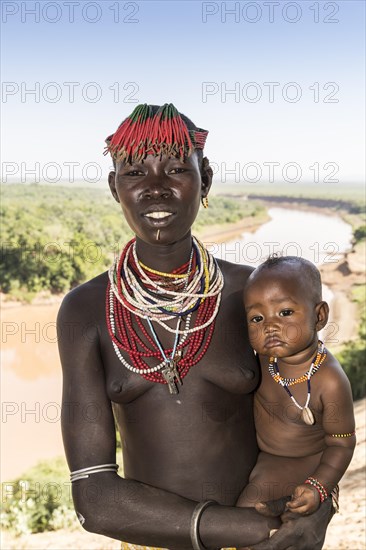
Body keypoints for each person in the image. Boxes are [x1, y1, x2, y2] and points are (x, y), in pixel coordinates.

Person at [58, 104, 335, 550]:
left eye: (174, 169)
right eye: (134, 173)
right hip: (187, 538)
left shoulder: (255, 295)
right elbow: (94, 499)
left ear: (204, 178)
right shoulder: (86, 310)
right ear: (115, 187)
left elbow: (319, 420)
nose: (155, 188)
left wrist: (317, 511)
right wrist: (246, 529)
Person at [237, 256, 356, 520]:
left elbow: (342, 444)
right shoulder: (265, 360)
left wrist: (319, 485)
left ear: (320, 316)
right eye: (256, 318)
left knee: (247, 513)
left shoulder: (330, 381)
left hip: (300, 461)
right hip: (261, 453)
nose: (269, 326)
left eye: (285, 312)